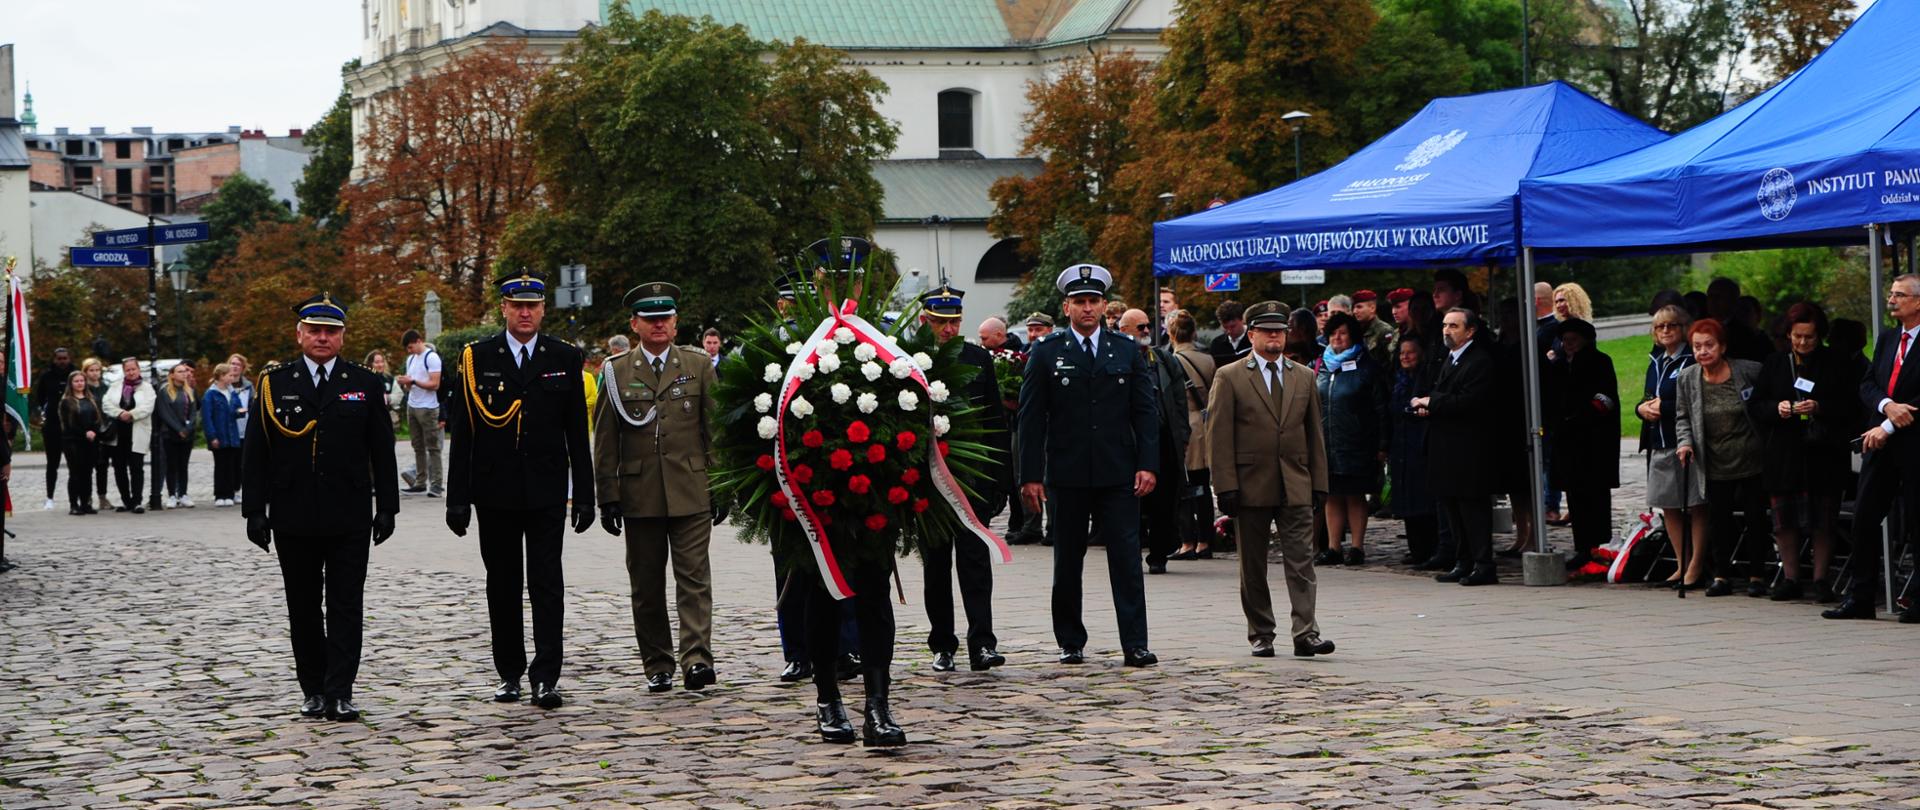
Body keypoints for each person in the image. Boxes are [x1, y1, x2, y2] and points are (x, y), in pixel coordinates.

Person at [243, 293, 400, 722]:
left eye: (330, 331)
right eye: (314, 330)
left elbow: (382, 450)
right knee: (304, 605)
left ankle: (341, 690)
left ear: (343, 337)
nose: (322, 338)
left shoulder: (364, 382)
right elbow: (257, 451)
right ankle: (313, 687)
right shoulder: (275, 382)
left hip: (348, 511)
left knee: (347, 603)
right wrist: (254, 510)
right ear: (300, 334)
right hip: (293, 513)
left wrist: (387, 506)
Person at [445, 270, 596, 709]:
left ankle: (546, 676)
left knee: (548, 584)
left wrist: (583, 493)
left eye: (532, 305)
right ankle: (510, 672)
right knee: (503, 584)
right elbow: (464, 433)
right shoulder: (477, 357)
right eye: (517, 305)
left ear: (543, 309)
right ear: (504, 309)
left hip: (547, 489)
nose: (525, 312)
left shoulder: (564, 356)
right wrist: (458, 499)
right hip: (495, 492)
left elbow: (575, 432)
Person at [1018, 263, 1159, 668]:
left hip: (1118, 471)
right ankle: (1070, 640)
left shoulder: (1126, 349)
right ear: (1066, 308)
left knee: (1127, 560)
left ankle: (1135, 642)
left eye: (1093, 301)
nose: (1087, 309)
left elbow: (1145, 413)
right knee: (1067, 562)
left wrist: (1148, 464)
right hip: (1067, 472)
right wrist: (1030, 475)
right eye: (1079, 302)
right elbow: (1030, 418)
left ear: (1103, 306)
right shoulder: (1047, 352)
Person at [595, 282, 720, 693]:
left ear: (676, 321)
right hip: (639, 493)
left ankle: (697, 660)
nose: (659, 324)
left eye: (665, 317)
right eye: (650, 319)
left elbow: (712, 430)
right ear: (635, 324)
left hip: (691, 487)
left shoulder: (698, 365)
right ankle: (658, 663)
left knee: (695, 579)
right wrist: (607, 497)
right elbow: (605, 439)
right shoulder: (614, 371)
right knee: (646, 585)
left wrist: (720, 484)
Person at [1207, 301, 1336, 658]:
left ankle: (1306, 632)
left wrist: (1319, 483)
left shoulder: (1303, 376)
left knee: (1302, 561)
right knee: (1253, 565)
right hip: (1250, 483)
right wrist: (1225, 486)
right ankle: (1261, 632)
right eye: (1267, 332)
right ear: (1252, 335)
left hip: (1295, 480)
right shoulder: (1230, 375)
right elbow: (1219, 435)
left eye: (1279, 331)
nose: (1275, 337)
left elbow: (1314, 435)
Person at [913, 284, 1010, 672]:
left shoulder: (976, 358)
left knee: (975, 564)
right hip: (929, 481)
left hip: (970, 479)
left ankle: (982, 643)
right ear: (924, 321)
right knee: (936, 567)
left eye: (954, 322)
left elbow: (993, 421)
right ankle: (942, 644)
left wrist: (1001, 478)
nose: (949, 330)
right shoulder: (910, 361)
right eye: (940, 322)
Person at [1827, 274, 1920, 622]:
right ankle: (1861, 596)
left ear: (1918, 302)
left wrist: (1891, 422)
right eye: (1891, 293)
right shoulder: (1887, 339)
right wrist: (1885, 406)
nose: (1892, 300)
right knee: (1864, 517)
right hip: (1879, 443)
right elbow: (1867, 383)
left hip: (1912, 443)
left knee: (1915, 519)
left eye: (1899, 295)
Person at [1752, 303, 1847, 602]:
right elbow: (1756, 405)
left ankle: (1821, 579)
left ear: (1820, 336)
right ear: (1788, 335)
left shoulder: (1835, 363)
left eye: (1809, 337)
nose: (1803, 343)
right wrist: (1778, 408)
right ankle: (1791, 576)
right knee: (1785, 520)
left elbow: (1850, 405)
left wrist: (1820, 407)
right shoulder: (1775, 363)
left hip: (1823, 452)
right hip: (1784, 452)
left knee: (1823, 519)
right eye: (1797, 337)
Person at [1674, 319, 1768, 596]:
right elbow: (1682, 417)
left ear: (1723, 346)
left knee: (1755, 518)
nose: (1703, 351)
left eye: (1709, 345)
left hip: (1751, 458)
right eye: (1697, 346)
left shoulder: (1750, 371)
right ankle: (1721, 575)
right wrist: (1685, 443)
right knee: (1719, 521)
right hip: (1713, 460)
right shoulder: (1688, 378)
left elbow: (1762, 406)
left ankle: (1757, 575)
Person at [1410, 308, 1499, 585]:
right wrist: (1428, 406)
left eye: (1454, 326)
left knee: (1472, 510)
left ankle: (1484, 564)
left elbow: (1469, 401)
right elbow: (1442, 395)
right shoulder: (1449, 358)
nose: (1447, 330)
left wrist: (1431, 402)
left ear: (1470, 331)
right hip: (1446, 447)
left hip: (1469, 449)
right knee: (1452, 508)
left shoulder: (1479, 361)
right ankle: (1464, 561)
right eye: (1445, 325)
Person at [1117, 307, 1191, 575]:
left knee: (1164, 501)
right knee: (1130, 502)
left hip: (1163, 441)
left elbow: (1180, 400)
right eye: (1140, 328)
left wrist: (1183, 436)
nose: (1146, 331)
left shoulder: (1163, 360)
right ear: (1123, 331)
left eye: (1148, 326)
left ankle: (1158, 555)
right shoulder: (1115, 359)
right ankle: (1130, 554)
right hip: (1129, 444)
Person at [1313, 312, 1389, 566]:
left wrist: (1381, 444)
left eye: (1343, 333)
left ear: (1353, 336)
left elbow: (1380, 407)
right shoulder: (1321, 366)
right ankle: (1333, 547)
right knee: (1332, 494)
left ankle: (1356, 546)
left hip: (1357, 441)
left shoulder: (1366, 366)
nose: (1337, 338)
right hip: (1327, 442)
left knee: (1355, 494)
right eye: (1333, 333)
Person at [1635, 304, 1703, 587]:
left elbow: (1697, 399)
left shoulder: (1690, 359)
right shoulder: (1656, 360)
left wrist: (1666, 406)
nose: (1665, 331)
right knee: (1669, 506)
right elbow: (1648, 397)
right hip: (1660, 442)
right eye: (1660, 327)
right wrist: (1642, 409)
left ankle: (1697, 566)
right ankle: (1680, 563)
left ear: (1683, 329)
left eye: (1671, 325)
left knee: (1695, 505)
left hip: (1686, 442)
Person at [1544, 319, 1620, 570]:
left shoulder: (1599, 362)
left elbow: (1606, 399)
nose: (1568, 345)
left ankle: (1597, 547)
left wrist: (1581, 416)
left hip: (1593, 440)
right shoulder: (1559, 366)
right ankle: (1582, 546)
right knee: (1575, 496)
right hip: (1567, 440)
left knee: (1595, 496)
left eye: (1573, 340)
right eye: (1565, 340)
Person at [1167, 311, 1218, 561]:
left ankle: (1188, 541)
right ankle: (1206, 541)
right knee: (1204, 488)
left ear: (1171, 333)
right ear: (1194, 332)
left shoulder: (1172, 360)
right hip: (1206, 425)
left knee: (1184, 488)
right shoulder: (1207, 359)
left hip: (1184, 426)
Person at [1388, 335, 1437, 565]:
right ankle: (1415, 547)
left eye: (1410, 352)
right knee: (1406, 498)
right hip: (1401, 444)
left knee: (1423, 497)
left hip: (1419, 443)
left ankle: (1428, 547)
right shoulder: (1398, 379)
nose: (1405, 357)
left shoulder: (1424, 378)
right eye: (1402, 353)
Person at [101, 358, 155, 514]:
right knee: (119, 468)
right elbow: (106, 404)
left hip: (137, 431)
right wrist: (120, 413)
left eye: (133, 369)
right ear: (124, 371)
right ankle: (126, 500)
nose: (131, 372)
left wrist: (131, 414)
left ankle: (137, 500)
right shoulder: (115, 387)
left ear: (138, 370)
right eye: (128, 370)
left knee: (137, 467)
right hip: (118, 432)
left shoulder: (147, 388)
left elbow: (148, 407)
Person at [397, 330, 444, 497]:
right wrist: (405, 383)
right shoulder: (411, 359)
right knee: (417, 446)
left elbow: (435, 384)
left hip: (428, 407)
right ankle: (420, 481)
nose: (409, 351)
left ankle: (437, 484)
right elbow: (410, 384)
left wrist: (413, 381)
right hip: (413, 405)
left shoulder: (431, 357)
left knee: (433, 447)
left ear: (418, 341)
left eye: (410, 347)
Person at [34, 347, 76, 511]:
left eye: (65, 358)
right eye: (59, 358)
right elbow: (40, 397)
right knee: (52, 463)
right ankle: (49, 497)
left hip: (72, 425)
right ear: (54, 359)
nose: (62, 361)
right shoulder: (46, 376)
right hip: (52, 425)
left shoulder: (74, 374)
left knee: (75, 464)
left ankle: (77, 497)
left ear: (69, 358)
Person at [58, 370, 105, 515]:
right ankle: (74, 504)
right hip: (73, 441)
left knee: (87, 473)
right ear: (71, 384)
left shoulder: (91, 399)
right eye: (76, 381)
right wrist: (84, 433)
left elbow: (97, 419)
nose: (80, 384)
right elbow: (69, 424)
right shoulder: (67, 402)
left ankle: (86, 503)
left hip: (90, 441)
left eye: (82, 381)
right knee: (75, 473)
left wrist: (94, 431)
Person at [202, 362, 246, 507]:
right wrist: (212, 436)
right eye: (229, 375)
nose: (232, 378)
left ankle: (230, 493)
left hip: (232, 435)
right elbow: (207, 417)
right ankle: (220, 494)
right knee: (220, 465)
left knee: (232, 466)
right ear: (221, 376)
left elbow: (236, 408)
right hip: (219, 435)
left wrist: (239, 411)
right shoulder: (210, 394)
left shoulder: (232, 392)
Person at [155, 362, 198, 509]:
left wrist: (188, 427)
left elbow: (193, 411)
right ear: (172, 375)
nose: (184, 374)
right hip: (170, 434)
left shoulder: (190, 390)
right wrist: (178, 428)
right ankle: (172, 494)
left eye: (185, 371)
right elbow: (165, 413)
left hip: (187, 434)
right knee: (171, 465)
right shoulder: (165, 391)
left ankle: (183, 493)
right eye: (180, 371)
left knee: (183, 465)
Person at [81, 358, 112, 509]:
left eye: (97, 370)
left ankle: (102, 497)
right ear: (85, 372)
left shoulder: (105, 387)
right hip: (89, 429)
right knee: (87, 467)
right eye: (91, 370)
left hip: (104, 430)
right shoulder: (83, 389)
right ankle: (86, 497)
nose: (94, 373)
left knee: (102, 466)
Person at [1351, 290, 1395, 367]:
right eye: (1354, 307)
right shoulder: (1354, 330)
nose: (1355, 311)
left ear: (1372, 308)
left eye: (1359, 307)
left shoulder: (1384, 330)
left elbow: (1390, 362)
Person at [366, 350, 402, 429]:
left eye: (382, 362)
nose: (380, 365)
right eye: (377, 362)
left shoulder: (389, 379)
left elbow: (399, 395)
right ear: (370, 363)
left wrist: (387, 398)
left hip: (387, 418)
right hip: (369, 418)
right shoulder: (364, 378)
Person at [1208, 300, 1251, 367]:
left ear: (1242, 320)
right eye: (1225, 327)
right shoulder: (1216, 344)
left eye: (1233, 326)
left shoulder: (1255, 340)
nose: (1229, 331)